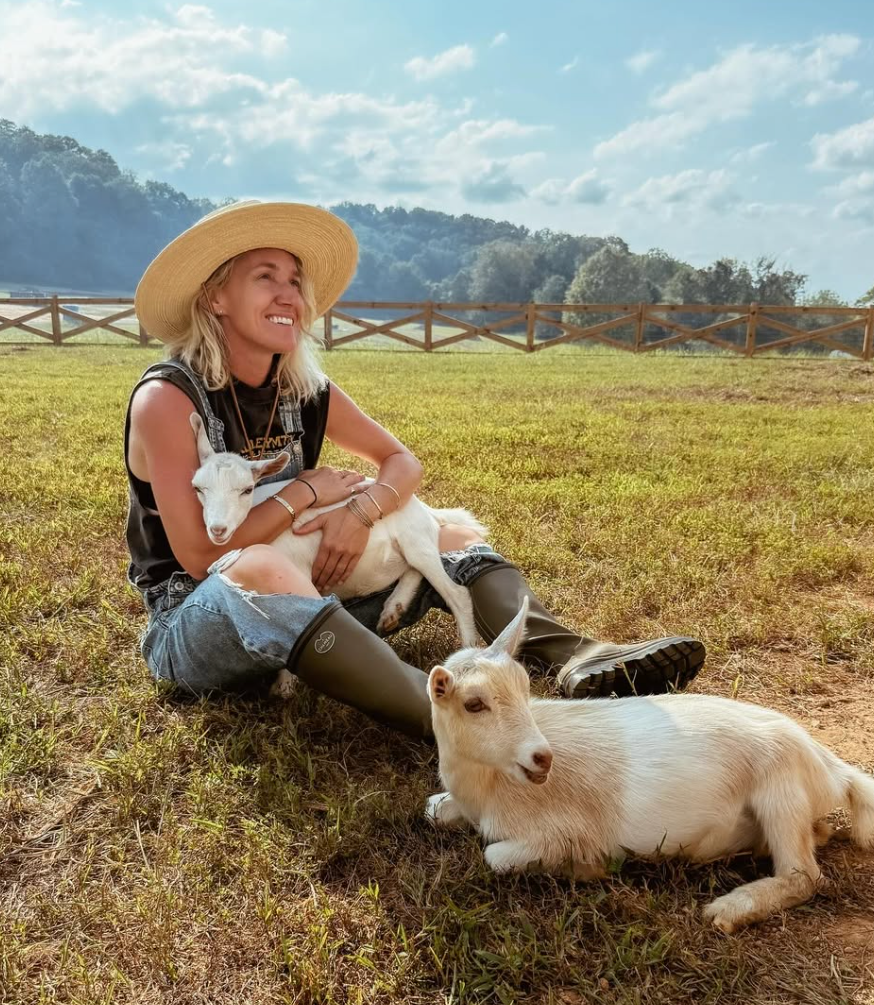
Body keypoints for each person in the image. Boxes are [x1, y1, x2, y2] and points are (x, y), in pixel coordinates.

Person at [126, 200, 705, 738]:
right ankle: (458, 728)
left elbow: (402, 463)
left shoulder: (304, 389)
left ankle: (578, 657)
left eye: (295, 281)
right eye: (265, 277)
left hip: (316, 597)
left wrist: (359, 511)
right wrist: (303, 489)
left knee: (454, 535)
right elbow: (204, 557)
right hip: (198, 623)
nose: (289, 296)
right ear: (215, 298)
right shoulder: (169, 400)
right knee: (258, 565)